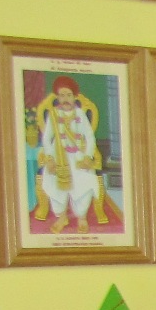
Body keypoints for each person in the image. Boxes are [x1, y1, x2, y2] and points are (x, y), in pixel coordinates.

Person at [34, 75, 102, 234]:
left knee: (84, 181)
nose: (65, 99)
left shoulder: (80, 115)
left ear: (74, 97)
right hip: (58, 157)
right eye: (62, 95)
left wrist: (87, 157)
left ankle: (82, 218)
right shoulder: (53, 115)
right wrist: (50, 159)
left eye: (69, 95)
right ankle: (61, 216)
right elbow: (46, 139)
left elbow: (90, 137)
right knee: (54, 182)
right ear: (58, 97)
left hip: (78, 156)